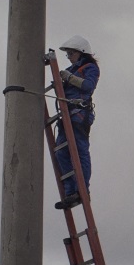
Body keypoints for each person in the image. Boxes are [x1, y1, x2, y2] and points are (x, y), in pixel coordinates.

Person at [49, 35, 99, 210]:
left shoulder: (90, 67)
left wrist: (68, 78)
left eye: (71, 53)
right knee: (61, 152)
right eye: (67, 54)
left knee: (79, 152)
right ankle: (71, 192)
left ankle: (82, 191)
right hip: (67, 114)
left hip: (79, 115)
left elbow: (87, 86)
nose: (69, 57)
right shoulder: (72, 69)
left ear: (81, 53)